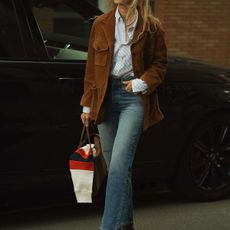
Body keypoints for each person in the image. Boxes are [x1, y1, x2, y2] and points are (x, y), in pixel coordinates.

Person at [80, 0, 168, 229]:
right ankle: (126, 224)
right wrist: (87, 107)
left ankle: (108, 226)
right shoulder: (101, 23)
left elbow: (160, 64)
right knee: (117, 169)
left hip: (134, 99)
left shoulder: (152, 27)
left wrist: (141, 83)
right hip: (104, 99)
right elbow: (92, 68)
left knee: (119, 166)